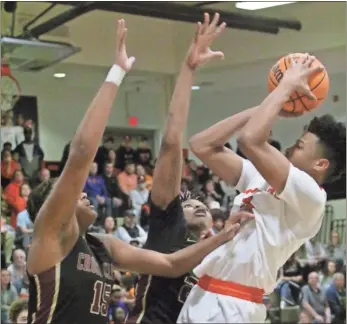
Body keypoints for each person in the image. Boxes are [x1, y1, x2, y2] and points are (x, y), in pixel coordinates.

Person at [25, 19, 246, 324]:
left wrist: (223, 236)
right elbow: (79, 157)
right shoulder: (50, 235)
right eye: (72, 194)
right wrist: (116, 74)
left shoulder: (102, 245)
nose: (82, 194)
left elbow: (169, 264)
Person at [178, 54, 346, 323]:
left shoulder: (312, 197)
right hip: (202, 294)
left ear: (320, 164)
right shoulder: (259, 176)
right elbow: (202, 145)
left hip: (235, 305)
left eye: (300, 146)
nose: (290, 147)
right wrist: (269, 108)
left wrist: (285, 87)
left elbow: (249, 140)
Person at [127, 13, 248, 324]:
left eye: (200, 203)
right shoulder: (168, 224)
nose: (195, 204)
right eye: (188, 203)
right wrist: (188, 68)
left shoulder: (216, 251)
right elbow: (170, 141)